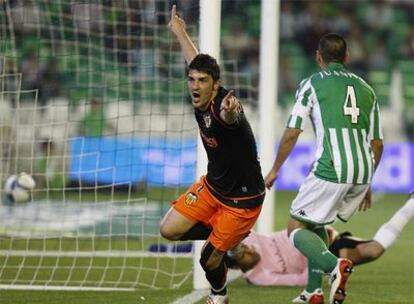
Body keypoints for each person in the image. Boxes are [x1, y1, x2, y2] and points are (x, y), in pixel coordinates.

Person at [265, 33, 384, 304]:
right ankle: (313, 291)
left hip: (333, 167)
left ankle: (335, 266)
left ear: (318, 57)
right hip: (363, 168)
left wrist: (275, 169)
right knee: (316, 223)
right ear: (347, 57)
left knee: (295, 226)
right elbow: (377, 143)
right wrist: (367, 182)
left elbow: (292, 132)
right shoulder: (367, 89)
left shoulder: (311, 84)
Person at [159, 5, 265, 304]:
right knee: (169, 229)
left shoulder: (223, 108)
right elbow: (195, 61)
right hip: (214, 187)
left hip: (242, 199)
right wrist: (180, 31)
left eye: (202, 81)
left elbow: (231, 120)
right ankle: (232, 239)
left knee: (208, 259)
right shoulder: (201, 92)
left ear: (215, 86)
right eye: (191, 80)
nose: (195, 86)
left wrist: (232, 114)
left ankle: (219, 297)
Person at [226, 193, 414, 290]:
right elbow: (301, 279)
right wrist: (314, 253)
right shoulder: (259, 277)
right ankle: (411, 204)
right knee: (373, 250)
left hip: (311, 229)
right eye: (243, 254)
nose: (249, 249)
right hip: (325, 253)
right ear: (237, 266)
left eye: (244, 247)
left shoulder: (248, 238)